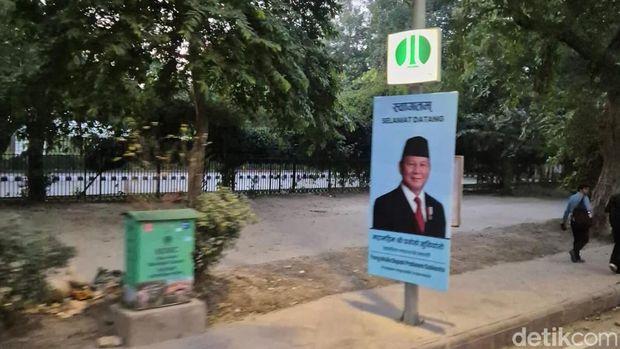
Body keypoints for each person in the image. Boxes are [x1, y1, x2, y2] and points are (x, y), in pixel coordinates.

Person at [372, 136, 446, 238]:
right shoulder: (384, 204)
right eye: (411, 164)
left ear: (429, 168)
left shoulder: (437, 208)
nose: (417, 171)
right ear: (400, 167)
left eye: (423, 165)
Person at [561, 184, 593, 263]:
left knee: (577, 239)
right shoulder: (585, 198)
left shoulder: (572, 197)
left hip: (574, 220)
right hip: (583, 221)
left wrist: (564, 222)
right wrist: (590, 216)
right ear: (581, 189)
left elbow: (567, 211)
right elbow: (589, 209)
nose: (587, 191)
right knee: (585, 239)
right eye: (586, 189)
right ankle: (574, 251)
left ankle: (576, 257)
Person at [606, 192, 620, 272]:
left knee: (618, 243)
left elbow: (606, 210)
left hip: (614, 225)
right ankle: (614, 262)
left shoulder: (614, 196)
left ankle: (614, 263)